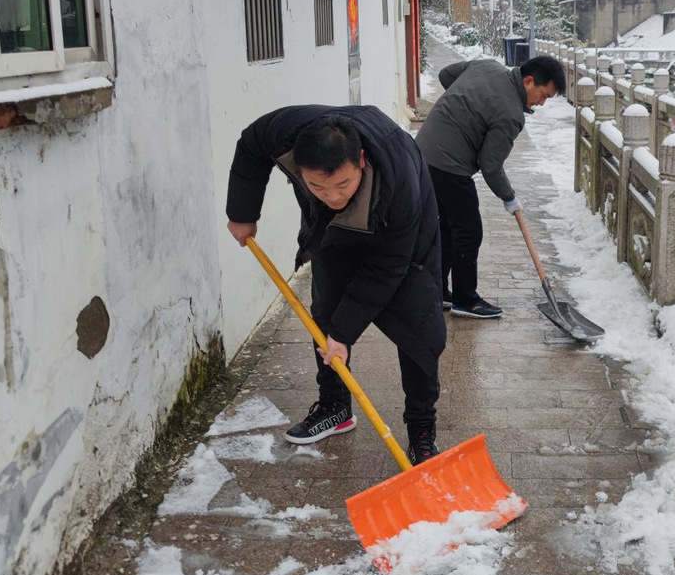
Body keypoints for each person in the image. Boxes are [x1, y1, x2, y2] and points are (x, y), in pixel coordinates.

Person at [225, 105, 445, 464]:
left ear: (361, 161)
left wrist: (345, 332)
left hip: (404, 240)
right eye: (318, 186)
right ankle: (335, 406)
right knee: (325, 314)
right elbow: (250, 145)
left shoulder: (399, 177)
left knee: (420, 331)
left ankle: (422, 429)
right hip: (332, 231)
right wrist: (242, 213)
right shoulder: (283, 133)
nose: (334, 197)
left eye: (343, 184)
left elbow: (387, 268)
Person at [415, 54, 566, 319]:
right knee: (469, 232)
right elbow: (491, 164)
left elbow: (446, 75)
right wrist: (509, 197)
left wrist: (465, 106)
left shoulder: (486, 65)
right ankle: (465, 300)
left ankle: (436, 291)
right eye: (543, 95)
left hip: (422, 151)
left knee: (447, 228)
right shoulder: (511, 114)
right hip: (449, 163)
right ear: (529, 81)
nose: (541, 103)